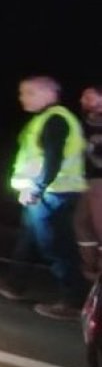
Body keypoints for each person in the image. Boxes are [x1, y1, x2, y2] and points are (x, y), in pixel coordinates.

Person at [0, 76, 89, 321]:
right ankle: (14, 284)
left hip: (54, 194)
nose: (22, 98)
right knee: (28, 239)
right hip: (47, 192)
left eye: (28, 93)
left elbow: (53, 159)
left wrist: (37, 188)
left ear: (48, 93)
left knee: (56, 246)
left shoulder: (55, 119)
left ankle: (75, 301)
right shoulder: (46, 118)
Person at [73, 84, 102, 280]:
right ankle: (91, 269)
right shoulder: (83, 124)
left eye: (89, 97)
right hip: (88, 180)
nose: (82, 101)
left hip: (100, 181)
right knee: (81, 223)